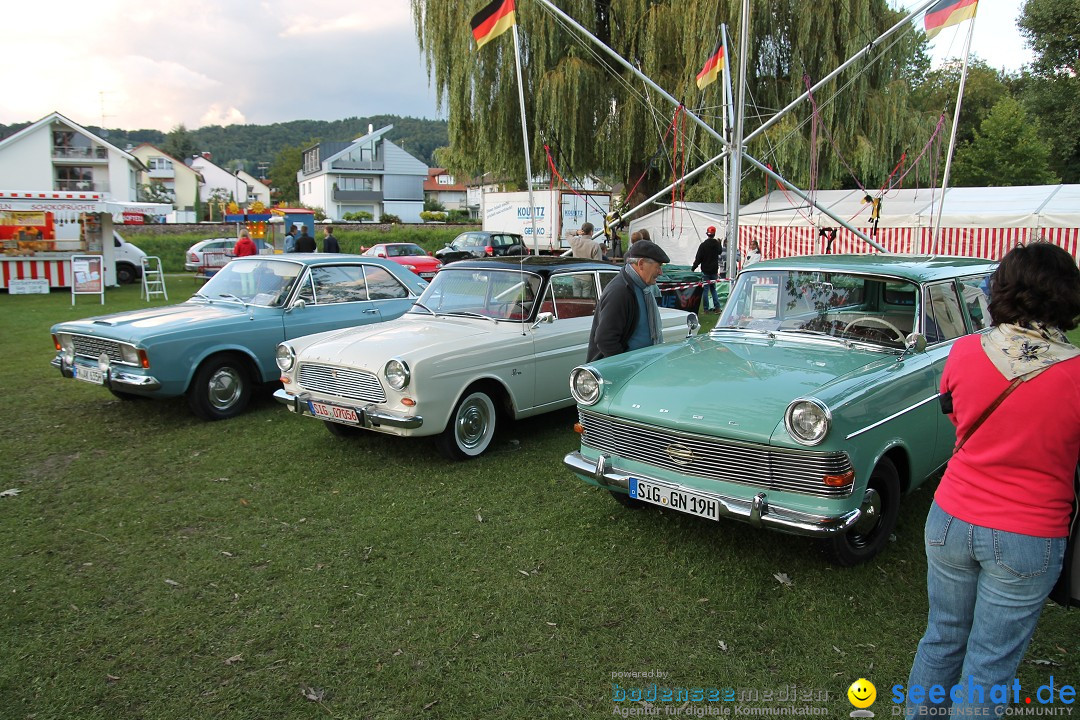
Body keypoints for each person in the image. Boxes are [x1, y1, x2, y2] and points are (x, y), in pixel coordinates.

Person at [906, 242, 1080, 718]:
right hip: (1027, 532)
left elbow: (956, 412)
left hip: (950, 519)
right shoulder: (1076, 373)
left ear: (1000, 289)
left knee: (941, 638)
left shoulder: (963, 351)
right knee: (989, 665)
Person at [586, 240, 670, 362]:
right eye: (658, 267)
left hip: (642, 366)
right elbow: (605, 339)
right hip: (626, 371)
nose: (660, 272)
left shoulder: (643, 288)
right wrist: (624, 365)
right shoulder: (620, 292)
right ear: (641, 264)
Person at [691, 226, 722, 313]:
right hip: (714, 270)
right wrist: (720, 243)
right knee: (713, 289)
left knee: (705, 289)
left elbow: (698, 258)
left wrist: (693, 268)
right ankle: (717, 308)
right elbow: (720, 251)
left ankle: (706, 309)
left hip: (705, 270)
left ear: (707, 234)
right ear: (714, 234)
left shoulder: (703, 245)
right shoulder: (716, 244)